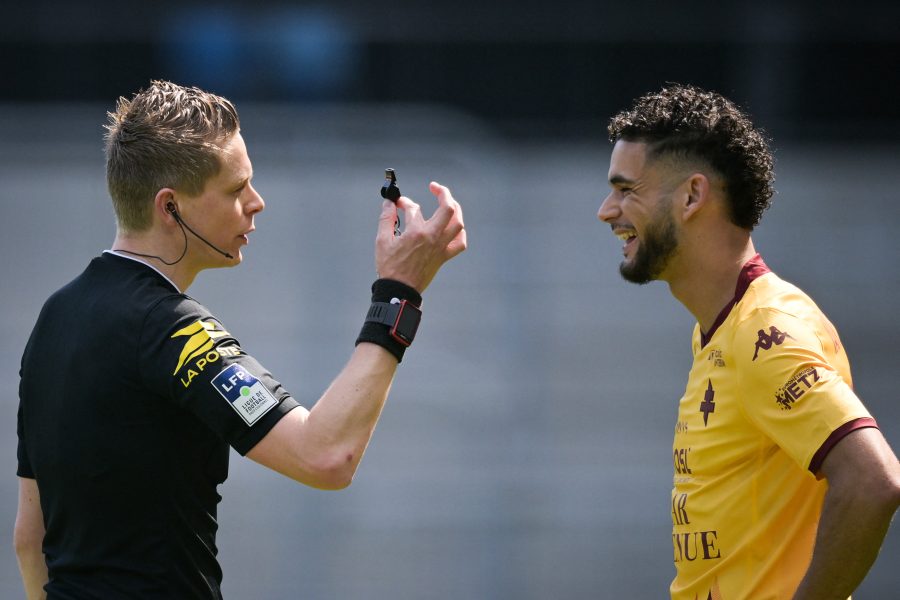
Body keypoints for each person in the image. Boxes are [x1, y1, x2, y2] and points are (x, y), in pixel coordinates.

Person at [14, 80, 466, 599]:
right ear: (170, 207)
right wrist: (399, 293)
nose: (257, 203)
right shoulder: (175, 332)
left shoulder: (53, 318)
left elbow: (31, 538)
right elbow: (326, 454)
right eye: (235, 190)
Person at [597, 83, 900, 599]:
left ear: (692, 196)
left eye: (627, 190)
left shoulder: (763, 331)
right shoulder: (720, 327)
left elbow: (874, 480)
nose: (607, 210)